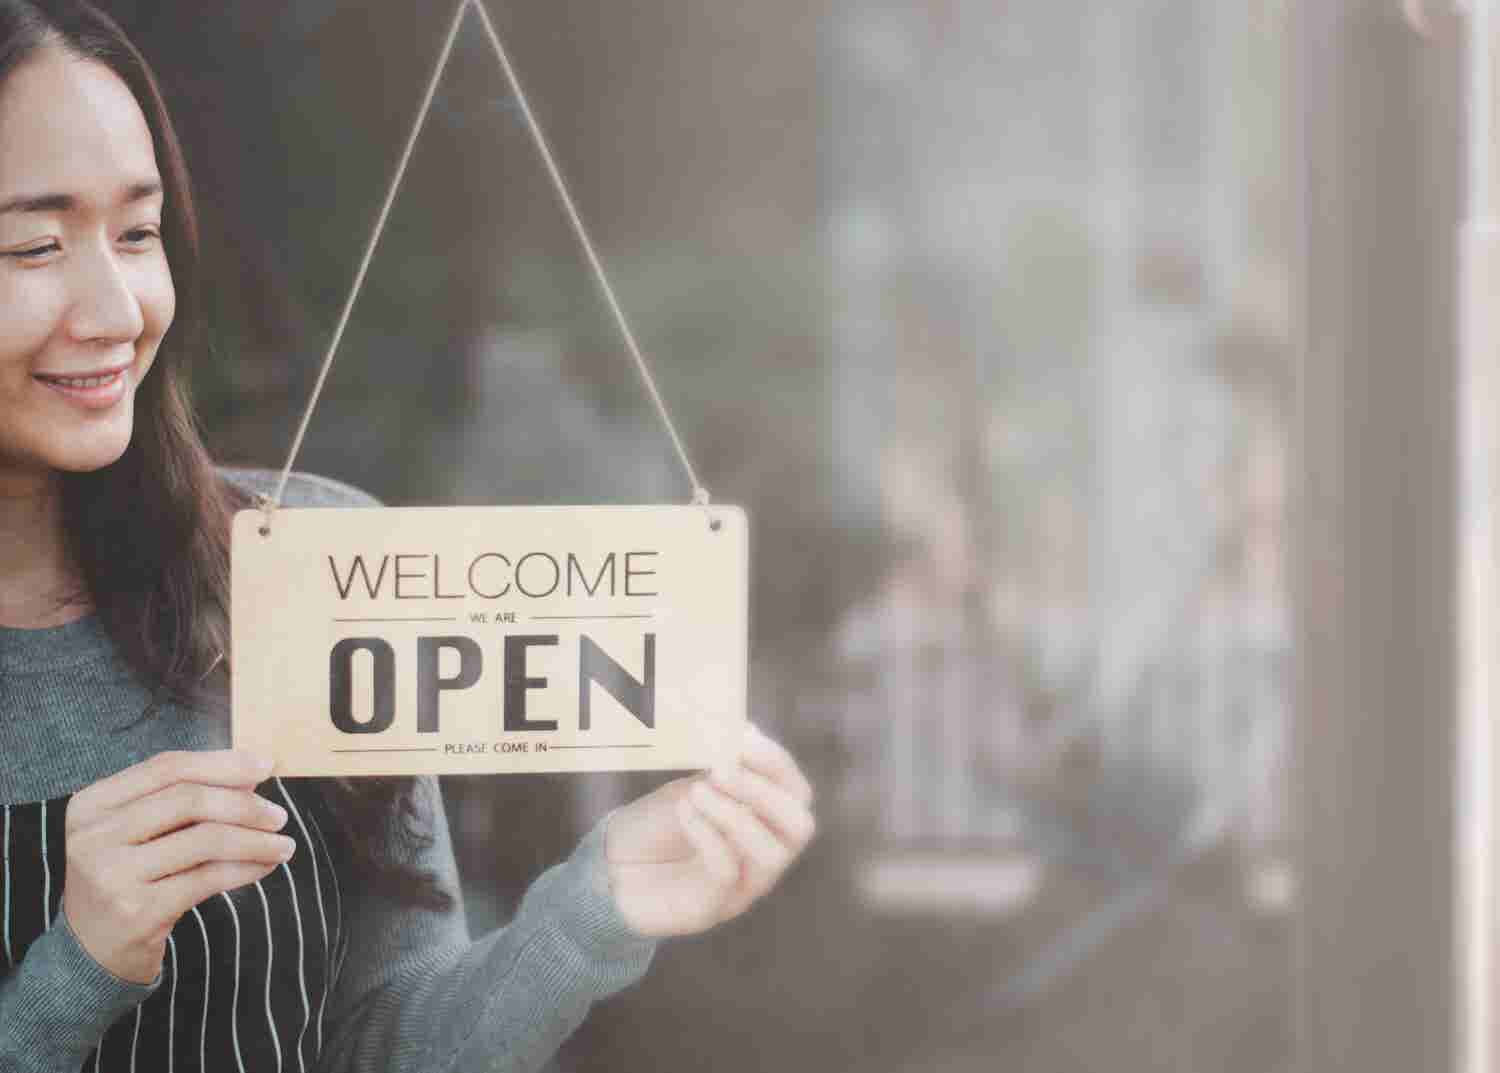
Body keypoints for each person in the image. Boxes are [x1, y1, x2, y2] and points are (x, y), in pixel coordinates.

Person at [0, 2, 816, 1071]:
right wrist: (78, 968)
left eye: (139, 233)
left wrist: (595, 911)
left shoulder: (317, 566)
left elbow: (389, 1043)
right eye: (34, 244)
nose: (115, 306)